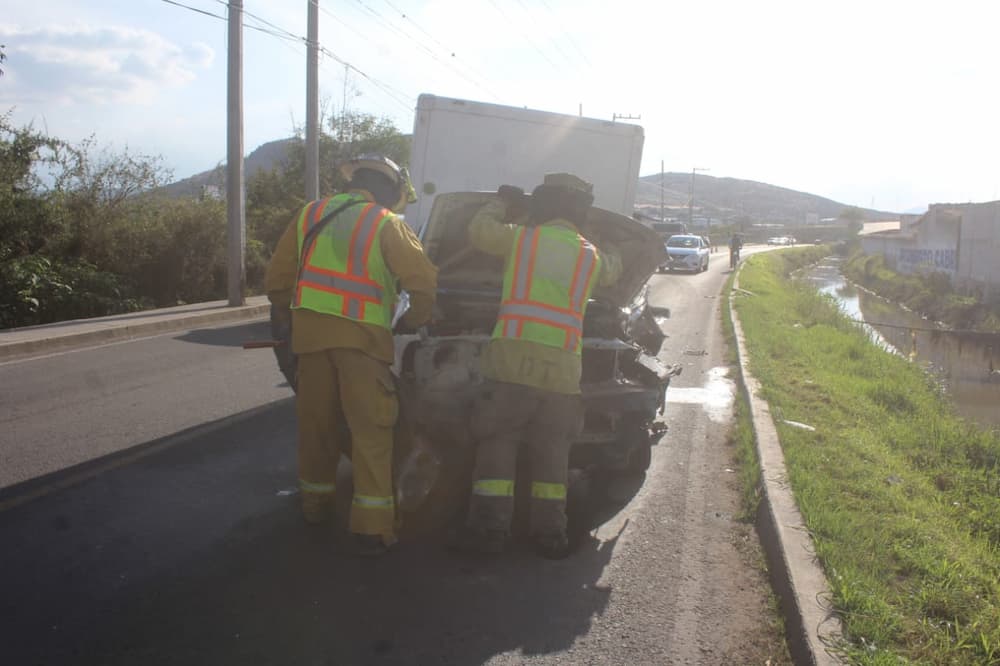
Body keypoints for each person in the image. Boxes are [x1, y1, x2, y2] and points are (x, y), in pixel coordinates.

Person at [264, 153, 437, 557]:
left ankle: (315, 507)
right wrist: (414, 321)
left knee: (317, 427)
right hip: (362, 345)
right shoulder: (387, 224)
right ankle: (372, 527)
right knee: (371, 432)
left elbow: (277, 283)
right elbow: (423, 281)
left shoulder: (310, 215)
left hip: (310, 343)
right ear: (390, 191)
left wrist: (302, 318)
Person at [456, 173, 621, 559]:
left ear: (542, 204)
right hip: (563, 371)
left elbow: (479, 231)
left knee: (498, 445)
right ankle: (550, 535)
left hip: (512, 362)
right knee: (552, 455)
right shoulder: (589, 255)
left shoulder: (523, 238)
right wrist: (606, 238)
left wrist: (502, 202)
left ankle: (488, 533)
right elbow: (615, 270)